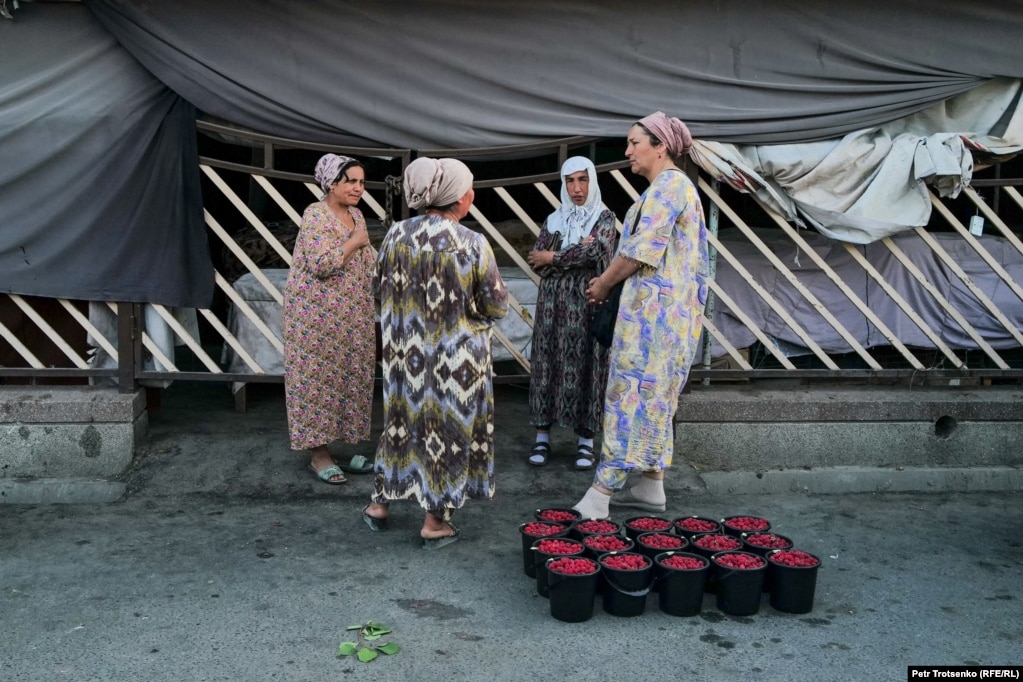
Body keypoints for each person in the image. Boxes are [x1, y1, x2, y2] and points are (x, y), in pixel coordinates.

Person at [363, 157, 509, 549]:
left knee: (400, 425)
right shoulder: (471, 243)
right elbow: (496, 305)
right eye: (469, 188)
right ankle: (435, 520)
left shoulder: (395, 235)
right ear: (460, 198)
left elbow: (376, 290)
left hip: (404, 359)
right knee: (448, 434)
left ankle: (379, 503)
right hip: (456, 362)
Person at [571, 112, 710, 520]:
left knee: (629, 397)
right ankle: (651, 486)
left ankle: (601, 492)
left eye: (635, 142)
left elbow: (639, 251)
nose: (628, 150)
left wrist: (604, 284)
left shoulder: (669, 188)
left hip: (656, 320)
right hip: (665, 318)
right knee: (655, 399)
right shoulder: (672, 188)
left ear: (660, 147)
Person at [282, 154, 375, 484]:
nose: (358, 188)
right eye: (351, 181)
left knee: (349, 377)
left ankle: (341, 448)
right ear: (331, 183)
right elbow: (322, 263)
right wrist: (354, 241)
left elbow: (367, 261)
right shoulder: (315, 214)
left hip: (352, 314)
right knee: (316, 381)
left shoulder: (357, 215)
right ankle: (318, 455)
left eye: (361, 182)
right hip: (316, 318)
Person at [525, 156, 617, 470]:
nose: (577, 188)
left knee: (588, 366)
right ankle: (542, 438)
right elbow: (535, 258)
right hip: (551, 308)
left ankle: (585, 444)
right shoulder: (554, 218)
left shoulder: (604, 217)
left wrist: (555, 256)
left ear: (592, 180)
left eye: (583, 179)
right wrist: (568, 255)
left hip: (588, 306)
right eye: (570, 181)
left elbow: (598, 250)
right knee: (546, 364)